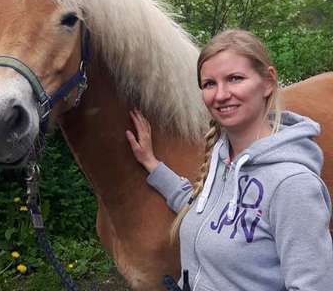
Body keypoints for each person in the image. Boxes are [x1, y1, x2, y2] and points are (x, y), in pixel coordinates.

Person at [125, 29, 333, 291]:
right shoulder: (223, 160)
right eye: (210, 84)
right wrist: (151, 163)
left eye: (234, 79)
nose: (221, 94)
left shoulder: (292, 185)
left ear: (268, 82)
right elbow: (199, 207)